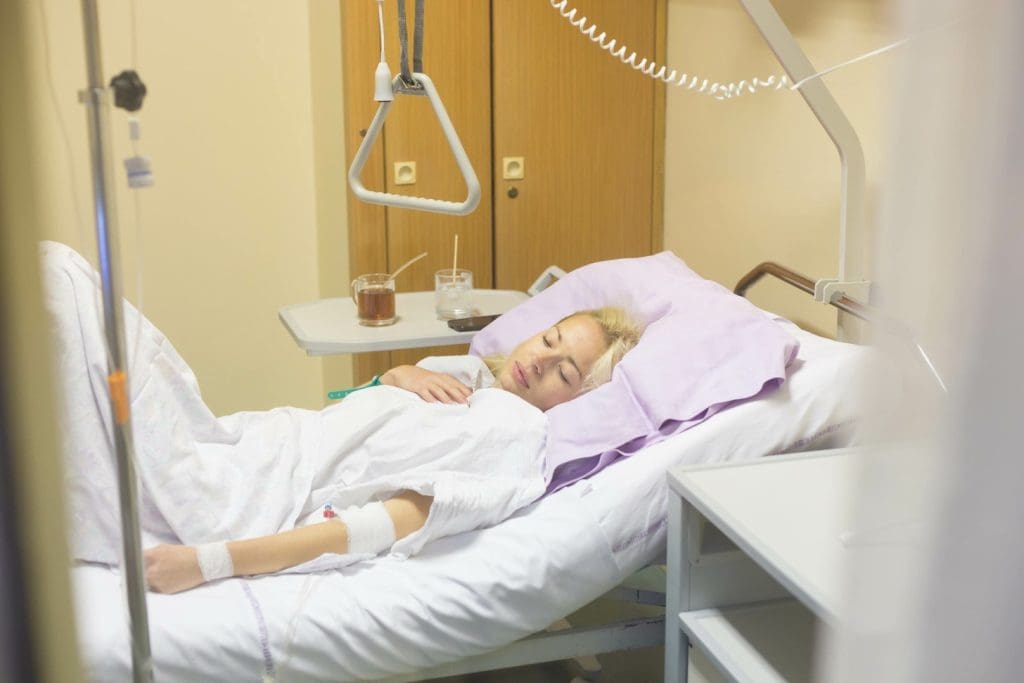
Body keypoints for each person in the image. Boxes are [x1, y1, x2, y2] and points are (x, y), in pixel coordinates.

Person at [40, 242, 641, 594]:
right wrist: (399, 375)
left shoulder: (515, 434)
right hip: (245, 444)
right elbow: (357, 404)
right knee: (60, 285)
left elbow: (388, 522)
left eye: (565, 371)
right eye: (549, 339)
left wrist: (207, 563)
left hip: (242, 497)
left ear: (580, 399)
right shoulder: (475, 381)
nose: (540, 361)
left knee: (59, 281)